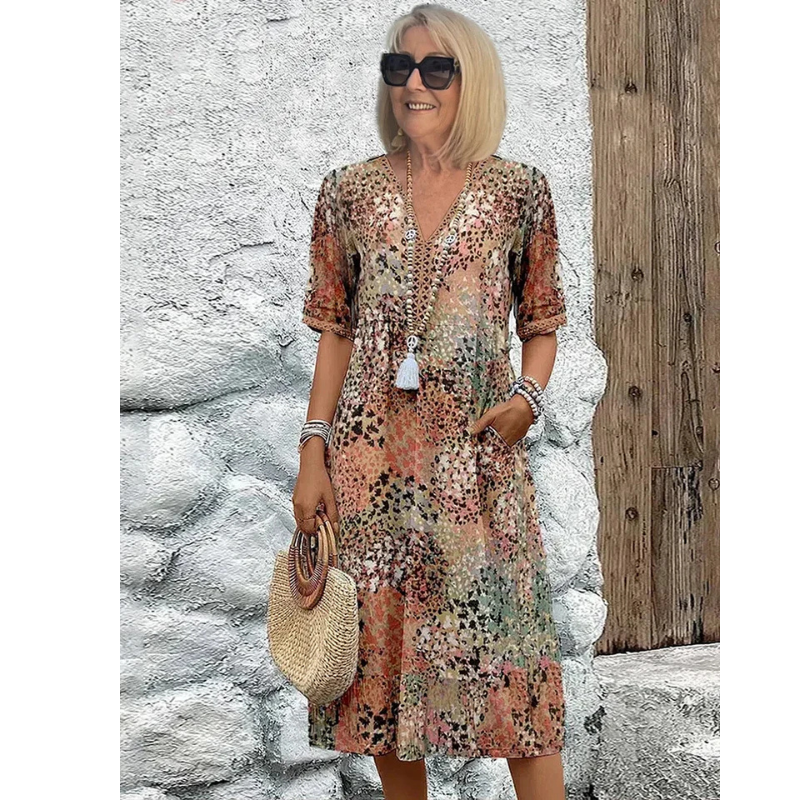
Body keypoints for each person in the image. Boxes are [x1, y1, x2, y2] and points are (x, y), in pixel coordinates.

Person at [292, 5, 568, 799]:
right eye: (399, 68)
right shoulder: (347, 193)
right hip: (368, 467)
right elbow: (336, 329)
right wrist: (313, 450)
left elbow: (542, 322)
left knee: (513, 673)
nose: (414, 83)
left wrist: (526, 400)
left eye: (435, 68)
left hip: (477, 468)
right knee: (378, 671)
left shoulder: (519, 192)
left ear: (469, 80)